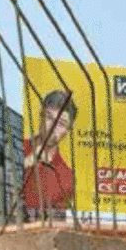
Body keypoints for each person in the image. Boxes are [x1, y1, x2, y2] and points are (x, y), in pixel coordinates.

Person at [21, 90, 77, 219]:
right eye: (50, 118)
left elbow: (57, 223)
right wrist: (24, 164)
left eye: (61, 124)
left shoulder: (67, 177)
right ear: (41, 115)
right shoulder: (17, 147)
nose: (53, 127)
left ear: (69, 129)